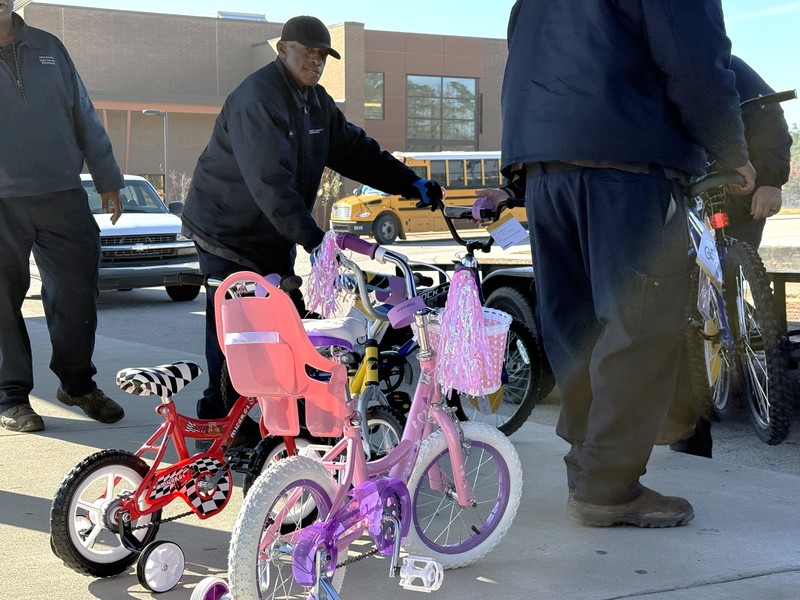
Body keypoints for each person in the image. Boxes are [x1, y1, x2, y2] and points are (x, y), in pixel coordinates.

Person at [499, 0, 755, 527]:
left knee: (575, 326)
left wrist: (518, 168)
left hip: (545, 169)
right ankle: (608, 487)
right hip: (628, 163)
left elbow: (520, 63)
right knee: (638, 324)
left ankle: (588, 472)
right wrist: (731, 151)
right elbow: (695, 58)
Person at [180, 15, 442, 449]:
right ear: (283, 49)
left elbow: (358, 152)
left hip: (270, 232)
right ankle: (222, 416)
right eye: (308, 52)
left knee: (284, 321)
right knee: (238, 325)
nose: (315, 62)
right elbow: (270, 182)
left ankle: (272, 408)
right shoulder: (257, 99)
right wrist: (315, 239)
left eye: (322, 56)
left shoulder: (316, 103)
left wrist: (408, 182)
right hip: (225, 230)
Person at [0, 1, 125, 433]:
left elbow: (82, 113)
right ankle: (12, 397)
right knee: (1, 301)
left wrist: (107, 177)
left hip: (63, 192)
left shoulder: (48, 46)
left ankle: (76, 384)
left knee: (76, 294)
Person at [670, 55, 793, 458]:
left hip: (742, 194)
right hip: (684, 192)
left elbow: (768, 111)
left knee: (731, 275)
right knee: (685, 307)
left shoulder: (727, 66)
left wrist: (771, 181)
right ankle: (690, 429)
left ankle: (739, 321)